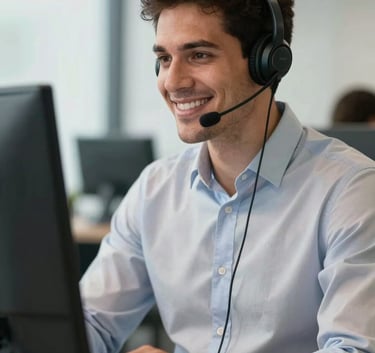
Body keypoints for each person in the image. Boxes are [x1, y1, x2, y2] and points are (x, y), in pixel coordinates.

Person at [80, 1, 375, 353]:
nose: (172, 81)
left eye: (199, 55)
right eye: (164, 59)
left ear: (266, 62)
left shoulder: (351, 190)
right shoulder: (154, 190)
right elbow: (91, 321)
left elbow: (353, 349)